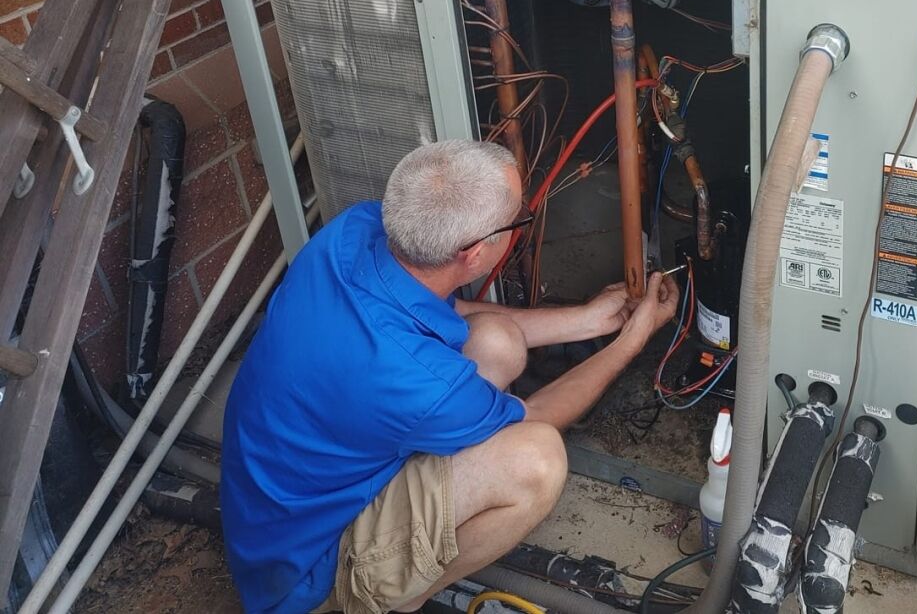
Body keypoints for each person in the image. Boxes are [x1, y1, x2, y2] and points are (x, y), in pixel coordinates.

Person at [221, 139, 680, 614]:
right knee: (537, 460)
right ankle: (394, 595)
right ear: (476, 255)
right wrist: (635, 338)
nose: (523, 224)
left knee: (496, 338)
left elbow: (448, 312)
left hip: (279, 503)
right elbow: (538, 415)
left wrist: (588, 319)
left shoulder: (352, 232)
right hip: (305, 569)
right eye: (518, 220)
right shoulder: (420, 380)